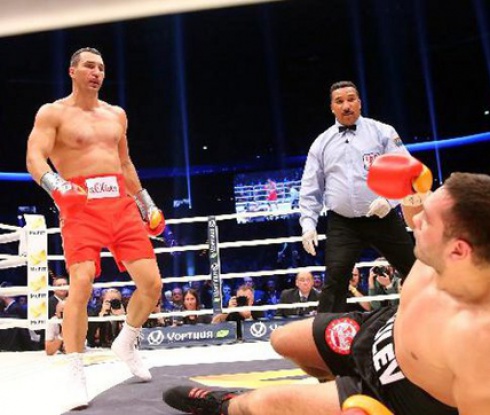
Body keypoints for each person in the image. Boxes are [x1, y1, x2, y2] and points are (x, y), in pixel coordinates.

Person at [163, 169, 490, 415]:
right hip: (378, 330)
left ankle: (227, 406)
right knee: (283, 339)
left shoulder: (477, 340)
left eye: (427, 221)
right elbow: (419, 211)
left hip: (391, 394)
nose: (415, 222)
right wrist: (411, 187)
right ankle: (330, 390)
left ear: (458, 250)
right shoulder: (450, 252)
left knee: (262, 404)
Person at [25, 47, 164, 410]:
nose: (96, 72)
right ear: (72, 71)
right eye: (89, 66)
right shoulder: (53, 112)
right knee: (82, 282)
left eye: (101, 67)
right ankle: (75, 370)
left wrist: (147, 204)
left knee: (152, 284)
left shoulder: (116, 114)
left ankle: (126, 342)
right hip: (81, 208)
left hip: (121, 206)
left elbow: (125, 163)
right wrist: (58, 187)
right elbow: (34, 157)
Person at [299, 80, 417, 312]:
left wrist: (390, 200)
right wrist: (308, 224)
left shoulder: (382, 132)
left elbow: (406, 170)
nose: (346, 106)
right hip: (343, 223)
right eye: (339, 101)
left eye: (351, 99)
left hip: (382, 216)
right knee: (335, 279)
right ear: (332, 107)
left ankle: (435, 319)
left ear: (360, 103)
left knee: (413, 269)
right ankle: (326, 332)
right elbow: (311, 188)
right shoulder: (321, 143)